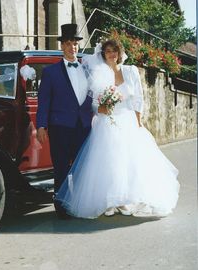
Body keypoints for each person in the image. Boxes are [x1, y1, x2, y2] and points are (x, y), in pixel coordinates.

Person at [54, 39, 180, 218]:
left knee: (129, 163)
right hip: (107, 123)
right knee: (108, 163)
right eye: (108, 52)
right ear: (103, 55)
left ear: (119, 53)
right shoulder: (99, 74)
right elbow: (94, 103)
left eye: (114, 51)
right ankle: (109, 202)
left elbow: (138, 98)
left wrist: (138, 121)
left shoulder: (130, 71)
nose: (111, 54)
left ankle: (124, 201)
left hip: (128, 121)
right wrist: (101, 109)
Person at [36, 24, 93, 217]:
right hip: (60, 126)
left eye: (75, 44)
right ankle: (61, 204)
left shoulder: (87, 69)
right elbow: (44, 101)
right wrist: (41, 125)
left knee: (82, 166)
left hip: (84, 126)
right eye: (68, 43)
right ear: (62, 46)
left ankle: (78, 202)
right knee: (61, 167)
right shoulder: (50, 72)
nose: (72, 47)